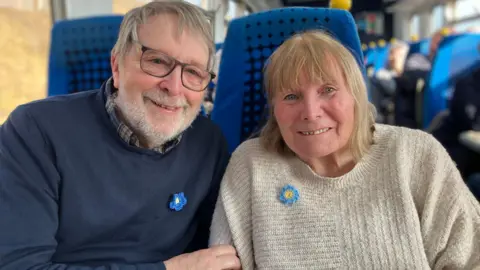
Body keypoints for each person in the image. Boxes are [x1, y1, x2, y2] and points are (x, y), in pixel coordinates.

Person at [209, 30, 480, 269]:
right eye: (291, 96)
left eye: (328, 90)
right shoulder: (250, 164)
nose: (311, 112)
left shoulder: (415, 155)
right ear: (274, 109)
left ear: (356, 96)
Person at [0, 1, 240, 270]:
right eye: (157, 61)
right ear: (117, 66)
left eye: (194, 73)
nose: (174, 88)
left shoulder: (209, 145)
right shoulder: (35, 131)